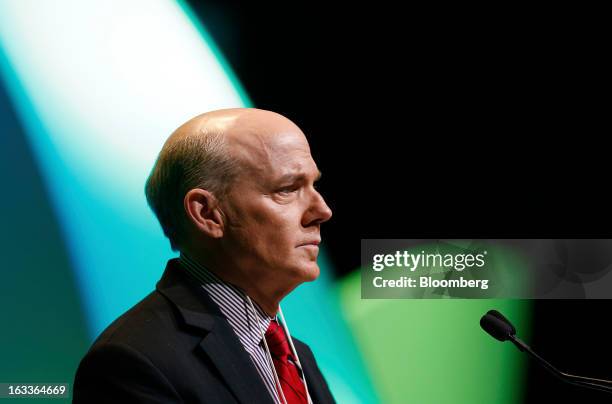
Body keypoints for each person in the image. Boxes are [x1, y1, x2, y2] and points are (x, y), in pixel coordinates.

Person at [73, 108, 335, 403]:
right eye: (287, 189)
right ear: (207, 213)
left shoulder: (298, 356)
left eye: (314, 185)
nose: (322, 211)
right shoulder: (132, 361)